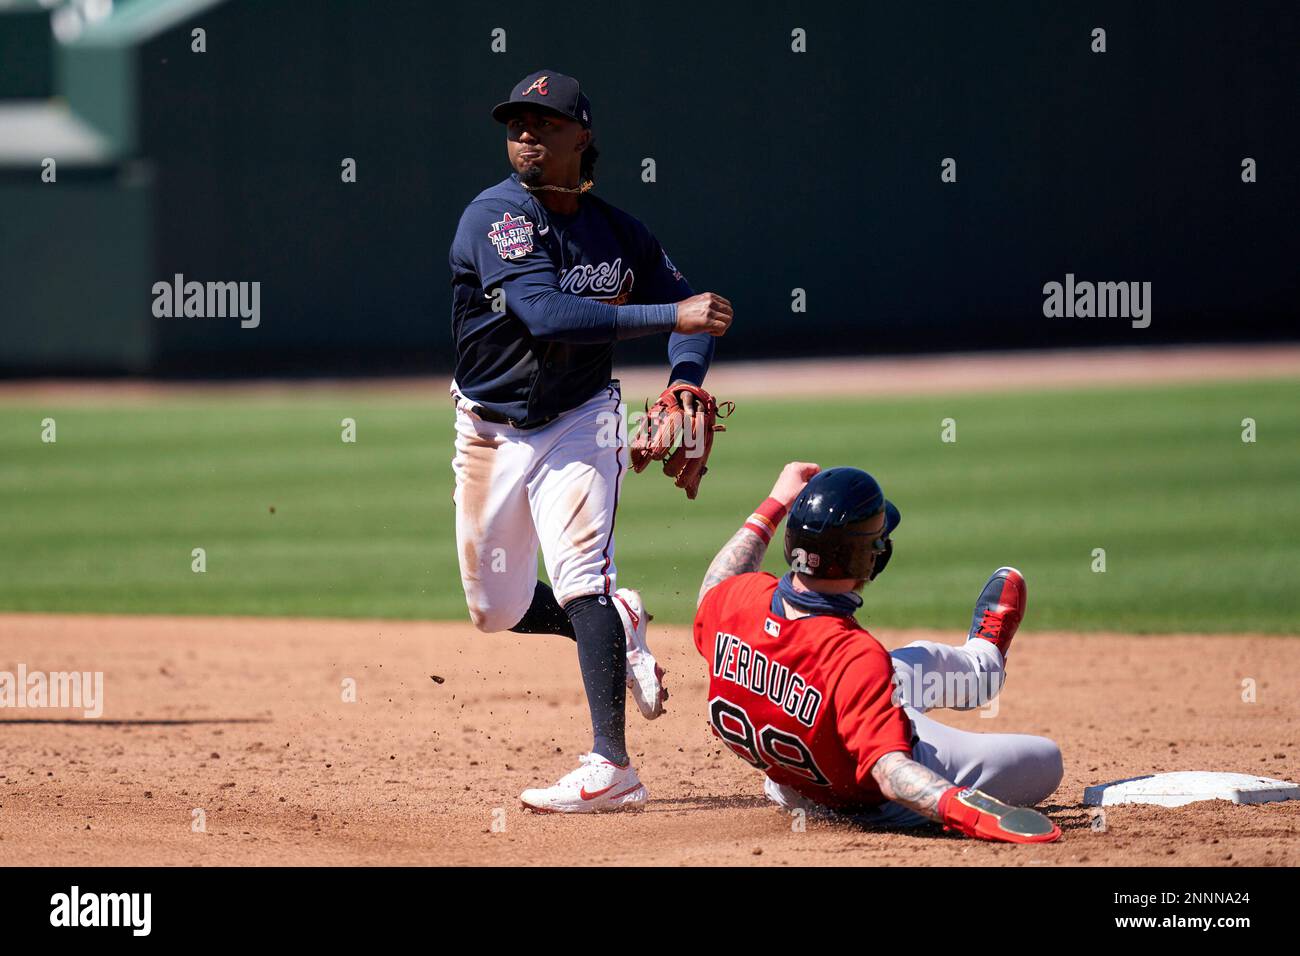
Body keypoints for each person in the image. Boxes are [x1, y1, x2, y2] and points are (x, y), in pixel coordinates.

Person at [448, 69, 734, 813]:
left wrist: (682, 381)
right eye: (516, 122)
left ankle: (613, 766)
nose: (526, 135)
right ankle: (622, 618)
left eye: (544, 123)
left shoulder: (617, 230)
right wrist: (673, 318)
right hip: (488, 430)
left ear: (583, 136)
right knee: (494, 608)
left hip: (581, 419)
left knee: (579, 577)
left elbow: (691, 313)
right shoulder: (497, 216)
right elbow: (543, 313)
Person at [692, 462, 1065, 842]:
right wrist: (969, 812)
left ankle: (983, 664)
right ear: (872, 558)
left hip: (792, 783)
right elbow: (891, 773)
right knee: (1047, 760)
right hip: (873, 800)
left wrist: (775, 502)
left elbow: (713, 587)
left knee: (922, 661)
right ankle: (982, 671)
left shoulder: (737, 601)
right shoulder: (853, 654)